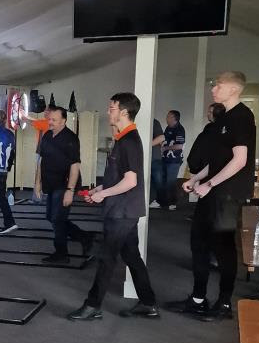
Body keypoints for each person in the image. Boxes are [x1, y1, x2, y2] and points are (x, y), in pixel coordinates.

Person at [169, 72, 256, 321]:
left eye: (218, 85)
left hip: (228, 194)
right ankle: (198, 299)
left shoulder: (242, 117)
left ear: (233, 90)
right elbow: (218, 161)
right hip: (212, 190)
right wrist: (196, 180)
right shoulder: (223, 119)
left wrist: (209, 184)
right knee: (199, 243)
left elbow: (240, 160)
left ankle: (224, 303)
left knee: (223, 248)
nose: (214, 88)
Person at [67, 93, 159, 321]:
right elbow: (118, 177)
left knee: (106, 257)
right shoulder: (123, 139)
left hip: (122, 211)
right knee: (132, 257)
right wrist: (99, 190)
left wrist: (103, 195)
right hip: (123, 209)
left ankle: (92, 305)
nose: (108, 112)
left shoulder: (129, 142)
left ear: (124, 112)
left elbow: (131, 181)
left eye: (112, 108)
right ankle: (148, 303)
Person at [36, 107, 92, 263]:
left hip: (65, 184)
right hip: (50, 183)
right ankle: (84, 237)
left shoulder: (71, 139)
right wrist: (37, 184)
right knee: (51, 217)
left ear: (63, 121)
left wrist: (70, 190)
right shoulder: (47, 135)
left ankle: (62, 254)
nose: (50, 122)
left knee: (57, 219)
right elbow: (41, 161)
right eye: (49, 119)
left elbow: (75, 166)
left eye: (54, 120)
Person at [156, 109, 186, 210]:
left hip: (174, 160)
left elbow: (179, 146)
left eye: (168, 116)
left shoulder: (180, 130)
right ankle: (162, 202)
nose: (166, 118)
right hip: (165, 159)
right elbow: (165, 140)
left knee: (171, 181)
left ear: (174, 118)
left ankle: (173, 202)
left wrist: (165, 148)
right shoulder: (168, 128)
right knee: (163, 180)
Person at [185, 103, 225, 178]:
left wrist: (194, 165)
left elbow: (202, 149)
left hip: (203, 170)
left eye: (210, 112)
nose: (208, 114)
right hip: (201, 168)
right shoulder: (209, 127)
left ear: (217, 113)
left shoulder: (215, 130)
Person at [148, 117, 164, 208]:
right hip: (147, 157)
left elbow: (161, 137)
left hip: (155, 157)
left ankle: (159, 201)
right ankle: (152, 200)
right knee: (151, 180)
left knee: (157, 180)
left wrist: (147, 145)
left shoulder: (154, 122)